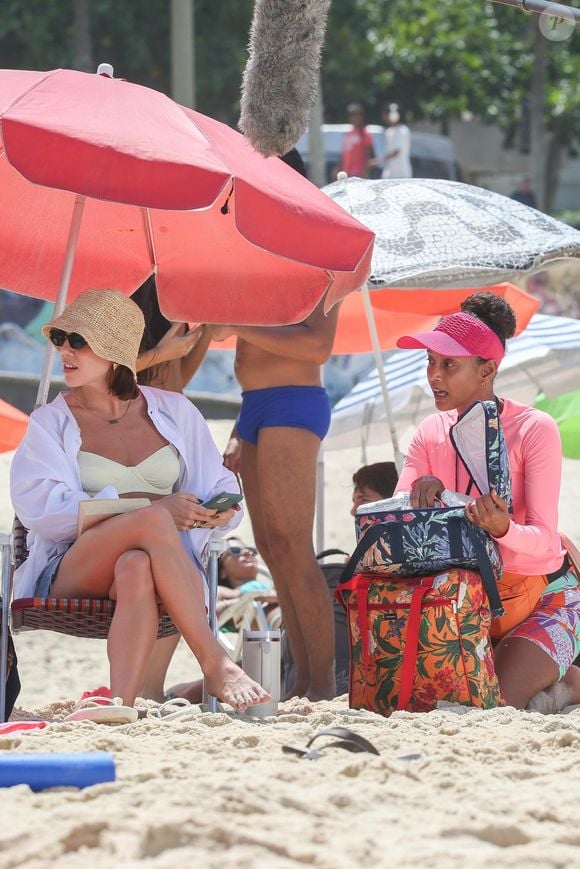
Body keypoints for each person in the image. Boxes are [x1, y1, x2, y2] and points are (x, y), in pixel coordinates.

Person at [10, 289, 270, 714]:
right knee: (151, 522)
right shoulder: (51, 422)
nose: (64, 350)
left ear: (115, 351)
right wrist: (150, 505)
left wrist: (217, 510)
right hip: (74, 565)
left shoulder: (175, 411)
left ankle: (120, 705)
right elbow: (44, 511)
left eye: (78, 341)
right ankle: (214, 659)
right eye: (59, 338)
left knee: (136, 565)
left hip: (158, 565)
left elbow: (219, 482)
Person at [394, 291, 580, 712]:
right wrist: (415, 496)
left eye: (448, 365)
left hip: (541, 597)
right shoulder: (429, 431)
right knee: (435, 703)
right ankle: (545, 672)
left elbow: (546, 543)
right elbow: (397, 520)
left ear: (488, 370)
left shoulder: (534, 428)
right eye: (430, 362)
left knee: (492, 707)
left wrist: (503, 529)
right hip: (461, 605)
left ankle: (570, 680)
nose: (433, 376)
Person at [211, 299, 339, 701]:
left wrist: (235, 321)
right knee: (272, 549)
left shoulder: (319, 262)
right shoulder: (262, 266)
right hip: (252, 405)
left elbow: (318, 346)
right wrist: (237, 428)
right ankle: (302, 680)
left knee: (293, 548)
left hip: (293, 399)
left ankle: (323, 683)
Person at [334, 102, 374, 179]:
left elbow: (368, 154)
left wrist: (366, 172)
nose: (354, 117)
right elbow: (344, 153)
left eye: (356, 115)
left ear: (361, 116)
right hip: (346, 172)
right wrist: (338, 167)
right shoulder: (347, 133)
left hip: (359, 173)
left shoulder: (364, 133)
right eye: (352, 115)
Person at [380, 103, 412, 179]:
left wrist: (378, 160)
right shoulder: (389, 131)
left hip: (401, 174)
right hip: (390, 174)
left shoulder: (402, 130)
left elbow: (397, 152)